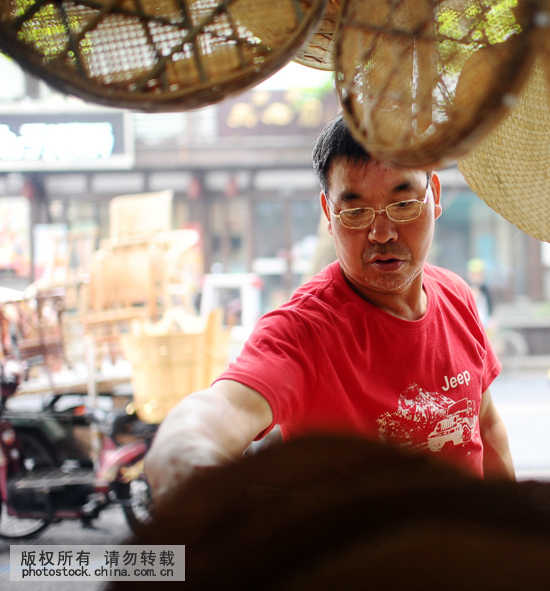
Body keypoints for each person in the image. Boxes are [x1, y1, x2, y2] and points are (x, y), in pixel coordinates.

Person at [145, 115, 514, 502]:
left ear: (433, 196)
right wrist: (183, 450)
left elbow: (485, 427)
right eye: (355, 212)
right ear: (328, 214)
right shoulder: (303, 331)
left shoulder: (457, 295)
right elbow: (223, 408)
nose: (382, 233)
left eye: (402, 203)